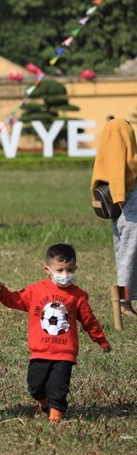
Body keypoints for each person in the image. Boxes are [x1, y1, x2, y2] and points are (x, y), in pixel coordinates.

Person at [0, 244, 111, 422]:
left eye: (70, 270)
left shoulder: (78, 295)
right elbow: (14, 299)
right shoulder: (35, 290)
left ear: (75, 268)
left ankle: (55, 418)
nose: (65, 275)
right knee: (35, 387)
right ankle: (44, 404)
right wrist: (0, 290)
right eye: (60, 270)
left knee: (59, 388)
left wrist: (101, 340)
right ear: (48, 270)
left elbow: (89, 321)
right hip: (40, 352)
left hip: (65, 354)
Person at [91, 118, 137, 317]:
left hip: (124, 200)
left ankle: (126, 300)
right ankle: (124, 302)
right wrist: (119, 197)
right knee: (128, 254)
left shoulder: (113, 129)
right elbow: (118, 168)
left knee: (126, 252)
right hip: (127, 200)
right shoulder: (119, 128)